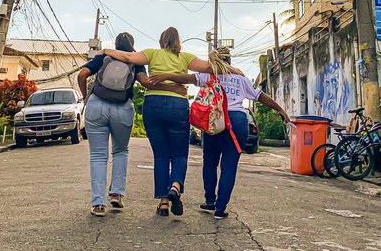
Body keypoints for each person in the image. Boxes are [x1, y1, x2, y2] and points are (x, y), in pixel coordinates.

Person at [149, 48, 289, 219]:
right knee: (229, 166)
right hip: (237, 121)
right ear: (229, 61)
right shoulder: (241, 77)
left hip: (215, 120)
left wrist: (165, 76)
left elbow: (187, 78)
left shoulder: (209, 75)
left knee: (210, 162)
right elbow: (260, 96)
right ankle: (220, 209)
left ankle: (210, 201)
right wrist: (280, 109)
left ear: (213, 61)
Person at [102, 27, 211, 217]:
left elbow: (127, 57)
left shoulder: (152, 54)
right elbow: (208, 67)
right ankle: (175, 187)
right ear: (178, 41)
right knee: (179, 154)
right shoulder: (185, 57)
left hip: (153, 105)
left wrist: (105, 51)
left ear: (161, 40)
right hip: (177, 105)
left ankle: (163, 203)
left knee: (160, 156)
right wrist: (228, 65)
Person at [79, 32, 187, 217]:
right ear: (132, 45)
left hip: (97, 104)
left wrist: (85, 97)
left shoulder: (106, 56)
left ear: (115, 43)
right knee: (120, 150)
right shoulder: (136, 60)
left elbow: (82, 74)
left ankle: (98, 203)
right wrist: (172, 88)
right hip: (122, 107)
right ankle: (116, 194)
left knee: (98, 155)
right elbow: (146, 82)